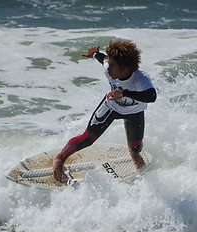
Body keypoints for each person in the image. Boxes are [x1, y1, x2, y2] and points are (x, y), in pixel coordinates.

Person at [53, 40, 157, 182]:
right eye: (109, 64)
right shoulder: (109, 66)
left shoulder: (140, 78)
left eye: (113, 66)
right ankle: (59, 159)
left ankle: (138, 164)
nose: (108, 69)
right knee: (87, 139)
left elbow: (151, 96)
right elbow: (103, 59)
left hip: (135, 113)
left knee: (136, 149)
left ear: (125, 67)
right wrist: (95, 53)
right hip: (111, 108)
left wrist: (124, 93)